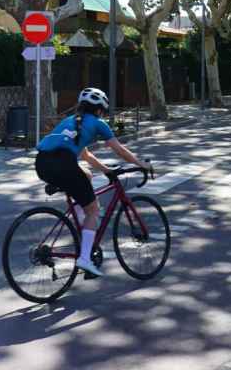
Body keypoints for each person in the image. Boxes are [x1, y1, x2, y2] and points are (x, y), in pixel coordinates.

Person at [35, 87, 150, 278]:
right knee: (94, 210)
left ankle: (82, 224)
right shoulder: (98, 123)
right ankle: (85, 259)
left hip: (42, 164)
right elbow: (119, 150)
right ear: (100, 110)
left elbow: (86, 155)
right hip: (64, 165)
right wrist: (141, 164)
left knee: (86, 174)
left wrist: (106, 170)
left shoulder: (70, 121)